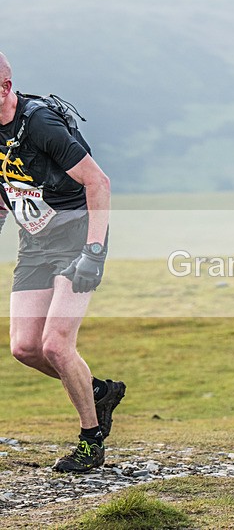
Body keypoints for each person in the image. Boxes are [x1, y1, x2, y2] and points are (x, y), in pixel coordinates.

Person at [0, 52, 125, 473]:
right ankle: (98, 391)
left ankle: (91, 442)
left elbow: (98, 181)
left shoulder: (40, 124)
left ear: (5, 88)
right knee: (25, 348)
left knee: (56, 345)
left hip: (77, 235)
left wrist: (93, 251)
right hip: (35, 241)